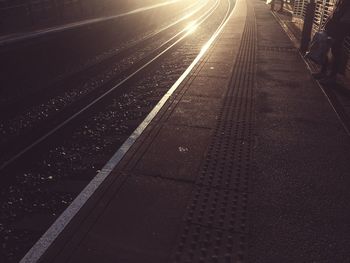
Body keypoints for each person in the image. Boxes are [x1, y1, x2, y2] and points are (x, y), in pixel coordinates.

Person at [314, 0, 350, 84]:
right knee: (328, 47)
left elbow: (342, 12)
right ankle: (323, 72)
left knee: (335, 50)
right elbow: (336, 10)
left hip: (342, 26)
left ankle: (332, 77)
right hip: (336, 24)